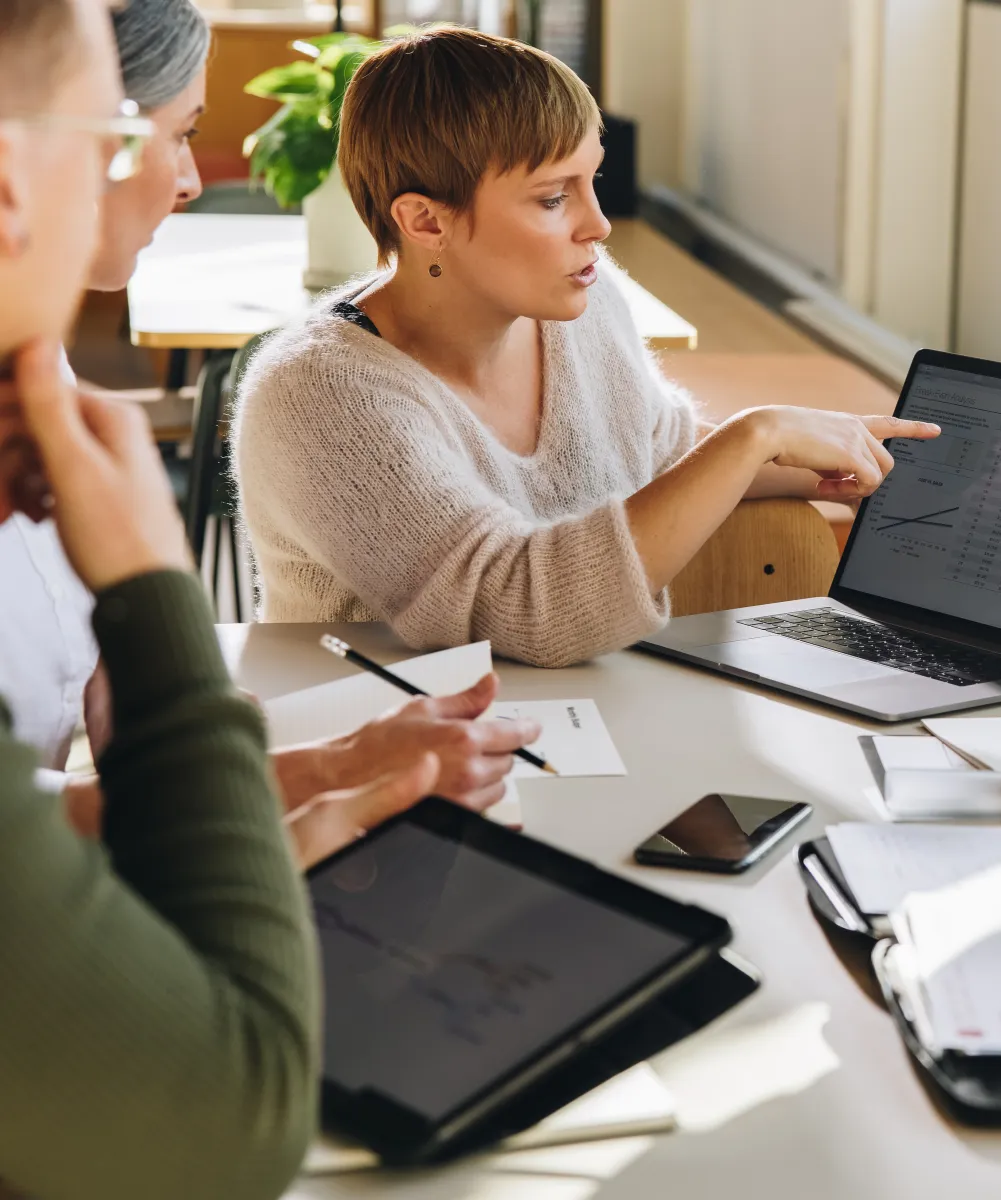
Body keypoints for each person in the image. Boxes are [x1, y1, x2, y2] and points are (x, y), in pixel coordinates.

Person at [0, 0, 542, 857]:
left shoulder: (33, 370)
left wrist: (219, 737)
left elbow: (77, 710)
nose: (183, 179)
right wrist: (320, 782)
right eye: (162, 135)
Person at [233, 25, 941, 669]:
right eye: (552, 198)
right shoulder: (319, 392)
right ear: (424, 221)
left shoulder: (585, 306)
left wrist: (853, 463)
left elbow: (654, 452)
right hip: (389, 759)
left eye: (591, 180)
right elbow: (521, 612)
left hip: (576, 720)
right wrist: (759, 433)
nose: (598, 224)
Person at [0, 1, 381, 1192]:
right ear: (14, 181)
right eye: (131, 133)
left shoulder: (38, 397)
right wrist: (155, 585)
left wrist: (295, 786)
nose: (183, 177)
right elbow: (234, 1122)